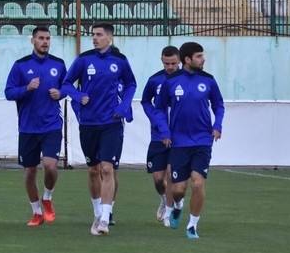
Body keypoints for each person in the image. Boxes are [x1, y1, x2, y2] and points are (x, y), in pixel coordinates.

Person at [62, 22, 137, 236]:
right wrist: (77, 96)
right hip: (88, 124)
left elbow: (131, 84)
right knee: (93, 170)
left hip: (111, 123)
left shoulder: (120, 61)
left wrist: (123, 106)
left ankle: (105, 217)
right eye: (93, 35)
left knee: (107, 168)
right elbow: (67, 83)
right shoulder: (84, 59)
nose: (94, 38)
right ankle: (97, 211)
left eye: (99, 35)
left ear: (109, 38)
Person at [152, 41, 224, 240]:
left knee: (198, 184)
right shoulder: (171, 81)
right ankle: (177, 206)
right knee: (178, 190)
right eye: (199, 56)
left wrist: (217, 125)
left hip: (202, 141)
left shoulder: (208, 80)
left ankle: (192, 226)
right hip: (179, 143)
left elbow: (218, 105)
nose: (203, 59)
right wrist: (164, 131)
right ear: (187, 59)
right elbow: (158, 109)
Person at [3, 26, 65, 227]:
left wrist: (61, 93)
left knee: (50, 165)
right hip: (28, 127)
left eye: (47, 38)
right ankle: (36, 212)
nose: (45, 42)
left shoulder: (58, 64)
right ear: (33, 41)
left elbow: (69, 87)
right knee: (30, 172)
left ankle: (47, 197)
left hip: (52, 125)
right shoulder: (21, 66)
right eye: (41, 38)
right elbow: (9, 92)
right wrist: (27, 88)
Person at [140, 45, 180, 224]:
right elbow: (146, 101)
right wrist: (155, 119)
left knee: (171, 174)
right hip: (158, 136)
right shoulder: (155, 80)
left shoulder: (186, 79)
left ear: (180, 60)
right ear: (161, 61)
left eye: (173, 63)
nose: (170, 67)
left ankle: (169, 213)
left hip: (179, 136)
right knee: (158, 179)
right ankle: (164, 200)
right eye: (166, 63)